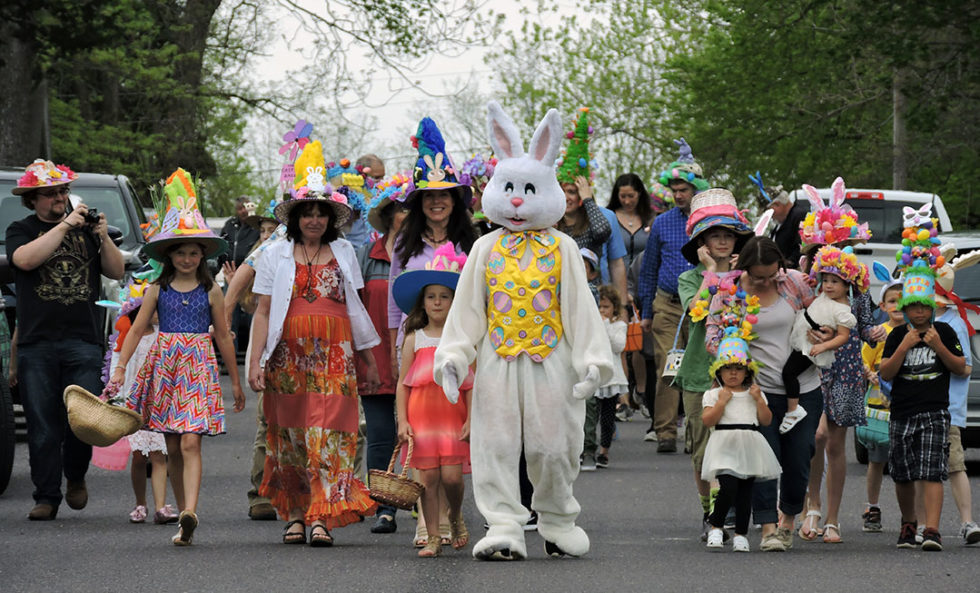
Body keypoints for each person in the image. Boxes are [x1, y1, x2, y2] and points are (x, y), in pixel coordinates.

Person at [250, 140, 381, 546]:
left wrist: (369, 360)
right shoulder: (275, 253)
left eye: (320, 213)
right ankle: (294, 514)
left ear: (330, 218)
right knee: (289, 435)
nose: (313, 220)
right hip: (287, 358)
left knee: (330, 435)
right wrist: (254, 361)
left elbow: (356, 308)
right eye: (306, 213)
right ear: (295, 217)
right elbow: (262, 311)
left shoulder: (345, 251)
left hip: (335, 357)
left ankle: (322, 515)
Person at [113, 169, 244, 545]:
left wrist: (234, 380)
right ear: (169, 255)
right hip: (165, 363)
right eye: (181, 252)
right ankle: (182, 515)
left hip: (198, 364)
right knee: (170, 444)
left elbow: (222, 335)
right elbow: (137, 330)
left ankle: (191, 510)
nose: (187, 258)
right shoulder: (157, 289)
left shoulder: (210, 290)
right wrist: (121, 368)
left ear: (203, 255)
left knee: (190, 441)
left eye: (193, 252)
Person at [6, 159, 125, 520]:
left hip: (83, 340)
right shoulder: (21, 229)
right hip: (36, 342)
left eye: (63, 191)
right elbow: (24, 261)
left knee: (83, 422)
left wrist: (101, 235)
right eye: (51, 193)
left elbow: (116, 270)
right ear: (33, 199)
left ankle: (75, 475)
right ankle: (46, 496)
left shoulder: (86, 231)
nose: (60, 198)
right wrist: (65, 226)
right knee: (42, 425)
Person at [388, 117, 477, 546]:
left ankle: (452, 515)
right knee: (422, 440)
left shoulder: (471, 242)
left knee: (453, 439)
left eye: (444, 196)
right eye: (429, 197)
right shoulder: (404, 246)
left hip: (461, 343)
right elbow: (394, 302)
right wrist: (395, 346)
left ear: (454, 200)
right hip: (418, 341)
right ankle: (428, 523)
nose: (437, 203)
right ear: (419, 203)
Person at [705, 236, 819, 552]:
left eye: (772, 274)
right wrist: (733, 349)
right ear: (745, 270)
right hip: (759, 391)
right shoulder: (729, 292)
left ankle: (787, 521)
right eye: (759, 277)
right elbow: (711, 337)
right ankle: (768, 527)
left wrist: (820, 333)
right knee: (764, 459)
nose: (767, 281)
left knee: (799, 460)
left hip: (804, 387)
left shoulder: (795, 283)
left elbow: (822, 316)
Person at [675, 188, 752, 539]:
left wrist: (737, 278)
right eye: (714, 235)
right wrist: (712, 273)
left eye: (728, 234)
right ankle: (710, 512)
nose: (722, 241)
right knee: (703, 449)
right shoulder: (690, 277)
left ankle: (731, 509)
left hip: (739, 371)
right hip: (697, 372)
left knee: (736, 444)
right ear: (702, 242)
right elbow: (696, 310)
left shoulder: (747, 275)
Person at [393, 244, 473, 557]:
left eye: (444, 296)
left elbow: (470, 385)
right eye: (431, 297)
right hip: (421, 418)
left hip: (453, 418)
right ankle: (433, 536)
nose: (437, 302)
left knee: (452, 478)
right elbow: (403, 383)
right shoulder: (415, 337)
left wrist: (471, 419)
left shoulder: (462, 340)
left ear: (454, 302)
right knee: (426, 480)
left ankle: (454, 515)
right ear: (422, 303)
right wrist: (403, 420)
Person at [880, 268, 965, 550]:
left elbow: (959, 367)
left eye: (924, 307)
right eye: (913, 307)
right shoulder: (896, 336)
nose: (919, 313)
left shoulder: (944, 330)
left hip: (935, 411)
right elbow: (886, 373)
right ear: (905, 310)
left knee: (932, 470)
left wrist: (939, 346)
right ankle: (908, 524)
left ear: (932, 307)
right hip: (902, 412)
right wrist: (904, 346)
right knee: (903, 472)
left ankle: (932, 529)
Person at [639, 138, 709, 451]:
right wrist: (646, 312)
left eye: (684, 190)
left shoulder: (709, 223)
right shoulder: (662, 223)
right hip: (667, 304)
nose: (678, 195)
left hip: (703, 304)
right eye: (675, 190)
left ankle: (696, 432)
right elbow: (648, 269)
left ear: (697, 190)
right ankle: (665, 431)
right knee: (669, 363)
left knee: (699, 365)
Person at [222, 200, 286, 521]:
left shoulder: (338, 243)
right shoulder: (281, 239)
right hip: (278, 341)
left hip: (322, 343)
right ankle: (261, 492)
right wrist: (226, 310)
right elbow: (248, 267)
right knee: (268, 419)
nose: (314, 217)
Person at [700, 294, 780, 552]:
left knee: (746, 491)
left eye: (738, 368)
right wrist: (721, 402)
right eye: (728, 368)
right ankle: (716, 526)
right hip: (724, 443)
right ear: (719, 371)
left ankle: (742, 535)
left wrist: (759, 401)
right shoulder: (714, 394)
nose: (733, 373)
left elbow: (766, 421)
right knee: (728, 487)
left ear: (747, 371)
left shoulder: (754, 393)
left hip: (749, 442)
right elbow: (707, 420)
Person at [358, 174, 411, 534]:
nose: (407, 216)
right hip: (375, 356)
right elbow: (354, 305)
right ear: (390, 213)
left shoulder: (424, 253)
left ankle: (426, 504)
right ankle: (382, 507)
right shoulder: (369, 254)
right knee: (380, 433)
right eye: (402, 210)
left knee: (421, 433)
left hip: (416, 355)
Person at [781, 246, 870, 435]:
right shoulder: (824, 294)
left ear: (847, 286)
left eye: (835, 282)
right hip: (801, 336)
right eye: (826, 280)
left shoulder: (843, 310)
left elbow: (843, 337)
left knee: (789, 373)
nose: (828, 285)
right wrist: (810, 278)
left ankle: (792, 409)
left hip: (812, 346)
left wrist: (823, 346)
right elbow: (812, 277)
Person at [110, 290, 178, 525]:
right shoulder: (128, 337)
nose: (159, 313)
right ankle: (141, 503)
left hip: (160, 403)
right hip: (135, 404)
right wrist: (116, 395)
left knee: (160, 455)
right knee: (139, 457)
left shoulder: (164, 335)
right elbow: (116, 367)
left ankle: (160, 506)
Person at [930, 258, 980, 545]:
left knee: (955, 464)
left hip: (947, 409)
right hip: (920, 406)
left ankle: (966, 521)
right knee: (922, 469)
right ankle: (922, 524)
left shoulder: (954, 323)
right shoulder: (918, 321)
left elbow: (966, 366)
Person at [857, 277, 903, 535]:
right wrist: (870, 374)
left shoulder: (912, 332)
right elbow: (863, 359)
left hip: (905, 406)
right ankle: (872, 506)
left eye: (902, 300)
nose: (897, 305)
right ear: (883, 306)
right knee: (876, 461)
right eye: (892, 301)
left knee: (905, 462)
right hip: (878, 407)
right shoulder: (879, 333)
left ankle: (910, 514)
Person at [607, 173, 655, 417]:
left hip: (643, 284)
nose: (627, 201)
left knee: (638, 343)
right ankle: (622, 397)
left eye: (631, 196)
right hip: (615, 287)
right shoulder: (610, 218)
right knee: (618, 344)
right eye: (622, 196)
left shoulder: (649, 219)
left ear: (640, 195)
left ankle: (641, 391)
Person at [591, 285, 629, 469]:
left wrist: (604, 324)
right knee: (590, 416)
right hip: (594, 375)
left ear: (614, 307)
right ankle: (586, 449)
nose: (602, 311)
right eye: (599, 307)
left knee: (607, 417)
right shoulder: (590, 324)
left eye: (606, 307)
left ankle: (604, 451)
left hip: (612, 378)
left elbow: (618, 346)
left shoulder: (618, 326)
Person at [764, 184, 807, 269]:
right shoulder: (781, 223)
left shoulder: (799, 216)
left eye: (768, 211)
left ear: (777, 205)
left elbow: (800, 248)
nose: (769, 216)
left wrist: (786, 265)